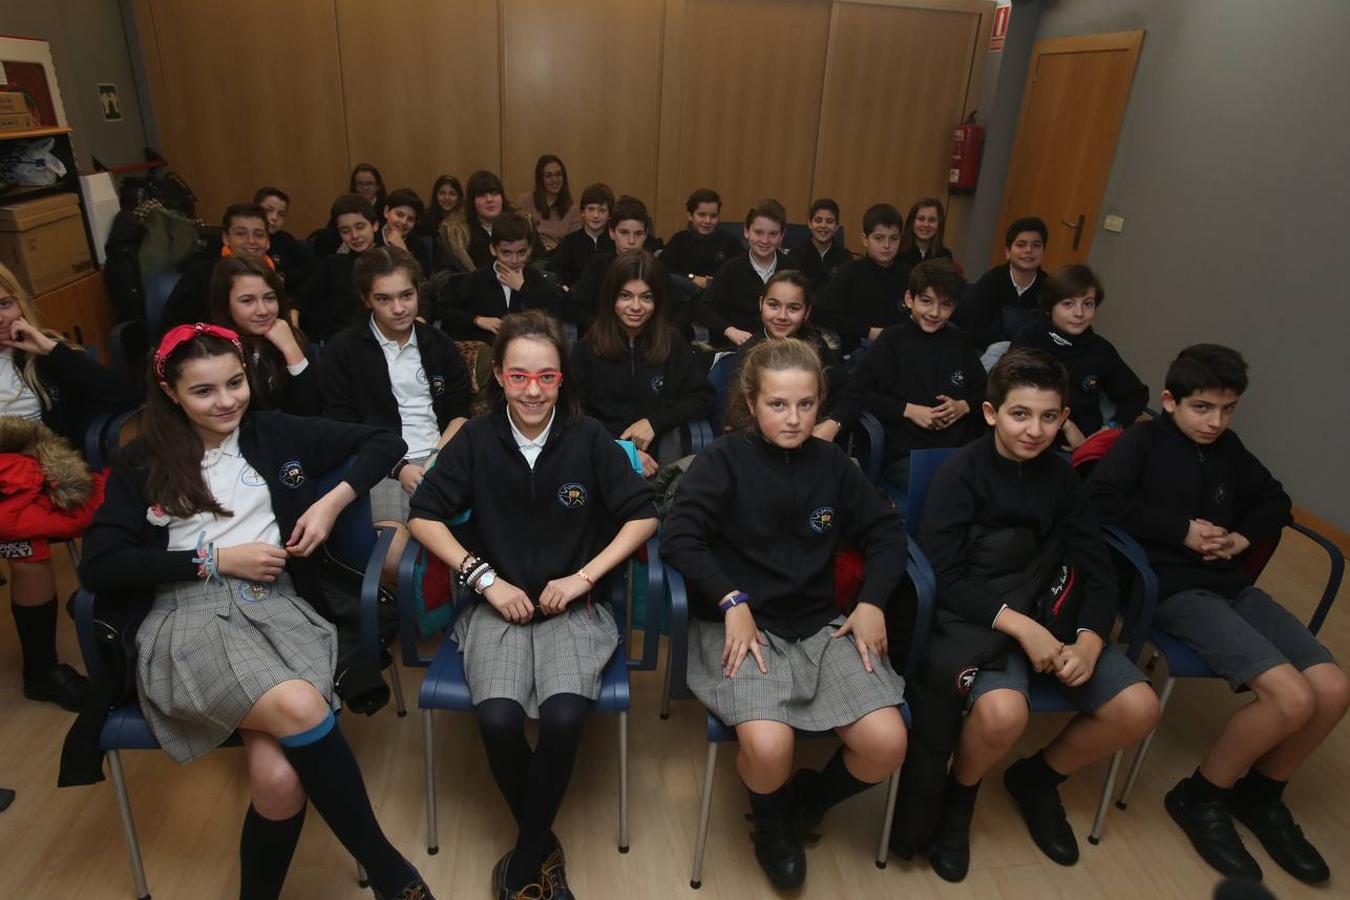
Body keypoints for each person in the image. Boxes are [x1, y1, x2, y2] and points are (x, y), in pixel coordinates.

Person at [77, 323, 434, 900]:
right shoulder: (142, 458)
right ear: (170, 391)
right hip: (186, 618)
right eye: (204, 391)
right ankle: (395, 876)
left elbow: (383, 444)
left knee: (277, 780)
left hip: (280, 610)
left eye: (235, 383)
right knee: (298, 703)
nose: (226, 402)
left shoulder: (270, 430)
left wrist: (329, 503)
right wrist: (215, 559)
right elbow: (99, 565)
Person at [408, 309, 659, 900]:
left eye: (546, 377)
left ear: (563, 379)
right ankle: (541, 848)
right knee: (496, 719)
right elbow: (423, 515)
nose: (532, 391)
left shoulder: (590, 439)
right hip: (497, 608)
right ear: (496, 376)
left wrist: (582, 576)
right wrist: (483, 578)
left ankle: (522, 865)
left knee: (565, 717)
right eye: (519, 377)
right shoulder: (475, 439)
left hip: (573, 609)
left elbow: (644, 515)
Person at [1088, 344, 1349, 885]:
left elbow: (1274, 499)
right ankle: (1201, 796)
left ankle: (1262, 793)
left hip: (1232, 586)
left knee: (1333, 688)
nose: (1216, 421)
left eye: (1228, 409)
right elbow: (1099, 502)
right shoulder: (1141, 442)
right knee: (1291, 697)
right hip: (1176, 590)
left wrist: (1242, 536)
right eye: (1203, 408)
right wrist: (1180, 529)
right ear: (1170, 401)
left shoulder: (1230, 448)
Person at [661, 337, 909, 891]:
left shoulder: (835, 465)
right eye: (778, 404)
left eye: (806, 404)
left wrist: (871, 603)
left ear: (821, 401)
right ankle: (770, 823)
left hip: (820, 623)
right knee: (771, 745)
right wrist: (731, 600)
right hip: (742, 626)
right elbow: (680, 538)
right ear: (751, 404)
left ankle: (805, 803)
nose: (793, 418)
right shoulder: (722, 460)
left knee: (887, 743)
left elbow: (888, 533)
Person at [914, 348, 1159, 882]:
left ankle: (1039, 779)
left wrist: (1091, 641)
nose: (1035, 430)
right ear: (990, 413)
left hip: (1058, 610)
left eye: (1050, 417)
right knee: (1005, 714)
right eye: (1020, 414)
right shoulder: (960, 475)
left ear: (1065, 418)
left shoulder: (1064, 479)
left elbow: (1098, 571)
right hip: (988, 620)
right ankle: (960, 798)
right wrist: (1024, 628)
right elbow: (945, 579)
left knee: (1138, 707)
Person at [0, 263, 135, 710]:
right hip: (6, 484)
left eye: (4, 304)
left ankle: (122, 624)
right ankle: (42, 671)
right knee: (28, 542)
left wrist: (51, 351)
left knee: (133, 501)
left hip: (53, 467)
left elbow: (125, 396)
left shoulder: (43, 352)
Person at [318, 247, 470, 560]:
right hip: (378, 467)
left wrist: (437, 460)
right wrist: (399, 467)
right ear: (366, 299)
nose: (398, 308)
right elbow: (343, 429)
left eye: (406, 295)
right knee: (397, 557)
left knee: (475, 542)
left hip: (442, 457)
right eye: (384, 299)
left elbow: (460, 415)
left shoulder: (438, 343)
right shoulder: (343, 350)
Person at [569, 250, 712, 477]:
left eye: (646, 297)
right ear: (611, 298)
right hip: (602, 457)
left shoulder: (673, 342)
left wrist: (654, 422)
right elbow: (574, 413)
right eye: (626, 296)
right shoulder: (587, 348)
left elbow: (701, 397)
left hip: (660, 462)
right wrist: (622, 449)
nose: (636, 307)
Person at [856, 259, 986, 489]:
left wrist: (964, 406)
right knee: (947, 489)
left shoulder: (960, 341)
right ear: (909, 299)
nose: (935, 312)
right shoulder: (891, 341)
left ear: (954, 307)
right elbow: (860, 392)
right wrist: (908, 410)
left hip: (957, 450)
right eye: (926, 301)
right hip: (907, 453)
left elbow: (987, 393)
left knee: (982, 486)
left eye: (945, 305)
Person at [1010, 264, 1148, 448]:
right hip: (1029, 439)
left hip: (1084, 448)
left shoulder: (1100, 349)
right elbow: (1011, 391)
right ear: (1050, 307)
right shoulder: (1030, 337)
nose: (1079, 313)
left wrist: (1111, 428)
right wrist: (1064, 424)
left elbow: (1136, 396)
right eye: (1068, 304)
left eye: (1088, 304)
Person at [724, 270, 859, 444]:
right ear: (761, 304)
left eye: (794, 308)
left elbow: (850, 394)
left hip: (814, 440)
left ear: (807, 312)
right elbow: (738, 420)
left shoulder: (816, 345)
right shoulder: (748, 355)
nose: (782, 316)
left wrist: (833, 424)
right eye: (773, 305)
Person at [209, 256, 320, 415]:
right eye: (247, 301)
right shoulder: (212, 350)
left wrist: (291, 350)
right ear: (225, 305)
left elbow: (313, 410)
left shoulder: (292, 338)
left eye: (269, 298)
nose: (263, 311)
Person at [440, 212, 564, 344]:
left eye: (521, 252)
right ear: (493, 249)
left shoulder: (535, 278)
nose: (514, 260)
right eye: (506, 253)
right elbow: (447, 311)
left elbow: (557, 310)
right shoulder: (477, 278)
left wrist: (523, 287)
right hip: (487, 349)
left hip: (527, 349)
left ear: (529, 250)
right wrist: (477, 320)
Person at [696, 199, 799, 348]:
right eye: (758, 232)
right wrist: (730, 331)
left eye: (773, 234)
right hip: (738, 346)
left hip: (781, 346)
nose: (765, 240)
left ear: (782, 236)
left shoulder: (792, 269)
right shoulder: (731, 268)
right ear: (746, 231)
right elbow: (703, 308)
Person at [160, 203, 273, 335]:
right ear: (226, 238)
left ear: (268, 241)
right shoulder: (200, 273)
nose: (251, 241)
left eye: (259, 235)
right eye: (241, 234)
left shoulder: (273, 276)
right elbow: (175, 328)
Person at [954, 216, 1048, 365]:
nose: (1029, 250)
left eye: (1036, 245)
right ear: (1008, 252)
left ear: (1043, 251)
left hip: (1030, 356)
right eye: (1021, 245)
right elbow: (976, 329)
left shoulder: (1049, 287)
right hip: (987, 350)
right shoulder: (991, 281)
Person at [821, 203, 910, 352]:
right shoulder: (850, 272)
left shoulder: (908, 274)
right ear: (865, 239)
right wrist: (867, 331)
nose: (887, 245)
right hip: (855, 351)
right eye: (879, 238)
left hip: (898, 351)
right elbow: (825, 314)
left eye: (893, 238)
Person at [565, 195, 651, 333]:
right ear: (611, 232)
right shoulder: (598, 265)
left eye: (638, 234)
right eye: (624, 233)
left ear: (646, 235)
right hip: (602, 338)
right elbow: (575, 307)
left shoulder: (654, 268)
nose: (631, 241)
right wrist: (600, 328)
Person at [299, 194, 376, 342]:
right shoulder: (332, 264)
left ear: (374, 225)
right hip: (340, 340)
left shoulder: (388, 262)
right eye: (345, 231)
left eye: (360, 227)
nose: (354, 235)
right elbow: (307, 301)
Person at [659, 188, 744, 292]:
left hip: (718, 300)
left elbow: (741, 272)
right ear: (690, 216)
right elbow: (662, 271)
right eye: (702, 215)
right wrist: (692, 278)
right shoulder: (679, 240)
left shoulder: (730, 242)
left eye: (713, 216)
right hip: (684, 300)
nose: (707, 221)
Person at [441, 170, 517, 273]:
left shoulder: (521, 224)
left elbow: (539, 259)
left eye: (494, 193)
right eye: (482, 195)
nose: (489, 199)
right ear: (472, 201)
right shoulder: (456, 233)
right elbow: (443, 275)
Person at [547, 182, 614, 287]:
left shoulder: (615, 241)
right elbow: (555, 272)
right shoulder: (569, 242)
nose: (596, 215)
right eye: (591, 209)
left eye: (602, 210)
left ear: (609, 215)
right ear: (582, 212)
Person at [789, 198, 852, 304]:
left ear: (836, 226)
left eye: (829, 221)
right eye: (818, 220)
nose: (823, 226)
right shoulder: (795, 255)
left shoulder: (845, 257)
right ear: (809, 223)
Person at [516, 154, 581, 253]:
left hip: (559, 259)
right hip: (530, 257)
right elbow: (516, 235)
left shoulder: (572, 209)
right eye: (548, 176)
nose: (554, 180)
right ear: (540, 179)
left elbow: (574, 244)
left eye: (558, 174)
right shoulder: (525, 201)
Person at [252, 186, 313, 291]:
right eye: (268, 210)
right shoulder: (243, 239)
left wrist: (283, 278)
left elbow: (310, 266)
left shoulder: (285, 239)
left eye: (281, 214)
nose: (274, 218)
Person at [375, 187, 433, 276]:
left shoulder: (420, 247)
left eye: (410, 219)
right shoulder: (372, 238)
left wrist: (403, 251)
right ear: (386, 211)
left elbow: (423, 280)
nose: (404, 222)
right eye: (399, 214)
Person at [897, 197, 956, 267]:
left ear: (940, 224)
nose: (926, 224)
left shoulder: (945, 255)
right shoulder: (897, 251)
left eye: (932, 220)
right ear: (912, 221)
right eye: (921, 219)